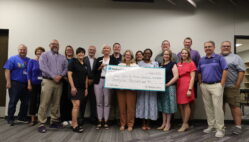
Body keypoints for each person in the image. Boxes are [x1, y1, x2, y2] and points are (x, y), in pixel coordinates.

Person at [198, 41, 228, 138]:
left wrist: (221, 84)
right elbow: (199, 72)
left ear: (214, 47)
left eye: (209, 46)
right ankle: (211, 126)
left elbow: (225, 70)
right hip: (205, 85)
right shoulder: (201, 60)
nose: (207, 48)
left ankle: (220, 129)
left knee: (217, 107)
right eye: (206, 47)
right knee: (208, 107)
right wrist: (200, 83)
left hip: (216, 85)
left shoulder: (220, 58)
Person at [37, 39, 68, 133]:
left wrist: (61, 75)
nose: (55, 45)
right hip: (48, 81)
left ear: (59, 46)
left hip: (59, 82)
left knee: (56, 103)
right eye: (53, 44)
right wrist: (53, 76)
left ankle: (54, 121)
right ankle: (42, 123)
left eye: (57, 44)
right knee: (44, 102)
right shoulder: (44, 55)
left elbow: (66, 68)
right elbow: (43, 67)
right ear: (50, 45)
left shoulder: (63, 57)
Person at [220, 41, 245, 135]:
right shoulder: (217, 57)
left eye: (228, 46)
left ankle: (238, 126)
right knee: (220, 107)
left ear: (230, 47)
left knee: (234, 106)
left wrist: (237, 85)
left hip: (231, 86)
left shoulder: (236, 57)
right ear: (220, 47)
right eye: (224, 46)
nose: (226, 47)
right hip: (219, 87)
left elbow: (241, 71)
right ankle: (220, 125)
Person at [4, 44, 30, 126]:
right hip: (15, 83)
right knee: (13, 101)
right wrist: (8, 82)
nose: (22, 51)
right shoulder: (12, 59)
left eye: (24, 49)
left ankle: (21, 117)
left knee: (25, 102)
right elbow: (7, 70)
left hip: (26, 84)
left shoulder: (29, 60)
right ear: (18, 50)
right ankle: (10, 118)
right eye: (21, 49)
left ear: (26, 51)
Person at [94, 45, 118, 129]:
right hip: (99, 81)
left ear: (110, 50)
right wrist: (100, 67)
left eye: (107, 48)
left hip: (109, 81)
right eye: (104, 48)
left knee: (107, 102)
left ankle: (106, 121)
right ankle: (100, 120)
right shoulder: (98, 59)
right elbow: (94, 71)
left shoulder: (113, 59)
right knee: (99, 102)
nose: (106, 49)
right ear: (102, 50)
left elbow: (116, 71)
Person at [177, 37, 201, 123]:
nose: (187, 43)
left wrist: (197, 80)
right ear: (183, 43)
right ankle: (185, 120)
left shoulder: (195, 53)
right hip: (180, 84)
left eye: (189, 42)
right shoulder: (178, 56)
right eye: (186, 42)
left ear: (191, 43)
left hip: (191, 81)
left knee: (190, 101)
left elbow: (199, 66)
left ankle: (190, 120)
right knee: (180, 102)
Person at [136, 48, 159, 130]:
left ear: (151, 55)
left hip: (151, 89)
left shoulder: (155, 64)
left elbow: (158, 75)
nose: (147, 54)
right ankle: (143, 123)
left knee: (150, 104)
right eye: (145, 53)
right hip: (142, 89)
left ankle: (148, 123)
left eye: (149, 53)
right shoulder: (139, 64)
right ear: (143, 54)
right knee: (142, 104)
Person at [68, 47, 88, 133]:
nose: (81, 54)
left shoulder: (85, 64)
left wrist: (86, 88)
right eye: (79, 53)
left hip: (81, 88)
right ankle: (75, 125)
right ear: (76, 54)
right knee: (76, 105)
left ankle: (73, 123)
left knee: (77, 106)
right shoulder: (73, 61)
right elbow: (69, 74)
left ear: (84, 54)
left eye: (82, 53)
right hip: (74, 88)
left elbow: (86, 77)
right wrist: (72, 87)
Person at [157, 49, 178, 131]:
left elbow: (176, 76)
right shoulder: (161, 65)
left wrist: (168, 84)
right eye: (164, 54)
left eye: (167, 54)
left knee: (168, 106)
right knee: (163, 106)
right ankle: (163, 123)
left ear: (170, 56)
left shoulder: (173, 64)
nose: (166, 56)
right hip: (161, 88)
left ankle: (168, 123)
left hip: (170, 87)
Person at [117, 50, 137, 132]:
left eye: (129, 55)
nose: (128, 56)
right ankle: (122, 124)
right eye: (126, 54)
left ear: (132, 56)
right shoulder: (119, 65)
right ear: (124, 56)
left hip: (131, 90)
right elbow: (116, 76)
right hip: (121, 89)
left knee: (130, 108)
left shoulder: (135, 65)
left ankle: (130, 124)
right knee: (122, 107)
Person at [176, 48, 196, 132]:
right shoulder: (178, 63)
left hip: (187, 84)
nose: (184, 54)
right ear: (180, 54)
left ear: (188, 54)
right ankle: (185, 123)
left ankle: (184, 124)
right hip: (179, 84)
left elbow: (192, 78)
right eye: (182, 53)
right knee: (180, 104)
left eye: (185, 53)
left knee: (186, 104)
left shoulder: (191, 63)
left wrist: (190, 89)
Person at [27, 47, 45, 126]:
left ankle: (40, 118)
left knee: (41, 102)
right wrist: (29, 84)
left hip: (43, 84)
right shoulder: (31, 61)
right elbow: (28, 73)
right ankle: (32, 119)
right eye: (38, 51)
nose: (39, 53)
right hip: (33, 84)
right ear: (35, 53)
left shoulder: (45, 62)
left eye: (41, 52)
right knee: (33, 101)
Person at [80, 45, 97, 125]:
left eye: (93, 50)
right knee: (83, 101)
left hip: (94, 84)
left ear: (95, 51)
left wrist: (92, 80)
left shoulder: (97, 60)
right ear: (88, 50)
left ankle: (93, 118)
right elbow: (80, 71)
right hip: (84, 84)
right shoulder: (83, 59)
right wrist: (86, 80)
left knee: (93, 102)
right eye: (90, 49)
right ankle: (81, 118)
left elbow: (97, 72)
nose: (91, 51)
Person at [60, 45, 74, 127]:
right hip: (64, 82)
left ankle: (70, 118)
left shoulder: (75, 60)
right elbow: (59, 69)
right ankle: (63, 119)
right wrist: (65, 77)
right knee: (63, 101)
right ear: (65, 51)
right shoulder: (62, 59)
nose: (69, 51)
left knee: (71, 102)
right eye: (67, 50)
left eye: (70, 50)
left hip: (73, 83)